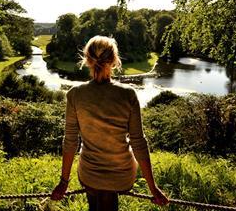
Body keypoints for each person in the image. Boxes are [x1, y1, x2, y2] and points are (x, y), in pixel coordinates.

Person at [50, 35, 169, 210]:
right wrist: (153, 188)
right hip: (122, 175)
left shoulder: (75, 94)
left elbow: (70, 141)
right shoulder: (128, 94)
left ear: (87, 60)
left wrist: (63, 182)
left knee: (95, 198)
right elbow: (138, 142)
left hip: (89, 174)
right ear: (114, 60)